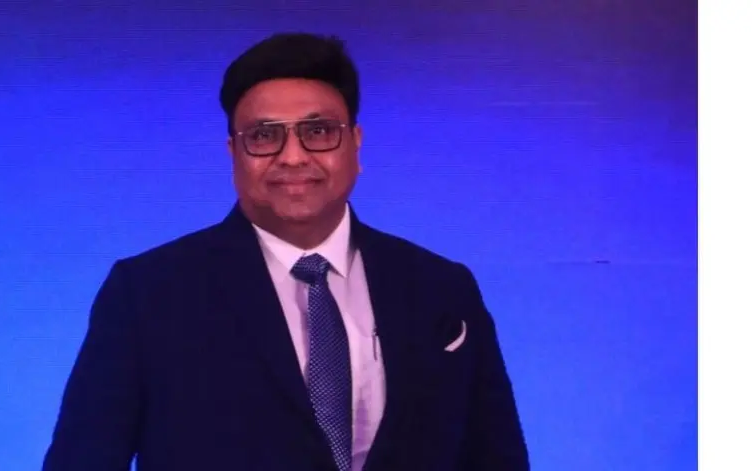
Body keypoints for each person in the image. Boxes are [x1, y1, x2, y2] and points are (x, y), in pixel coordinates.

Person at [42, 32, 529, 471]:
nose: (293, 157)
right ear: (233, 153)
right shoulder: (149, 294)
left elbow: (496, 458)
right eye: (264, 136)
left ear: (356, 145)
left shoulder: (441, 288)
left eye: (318, 132)